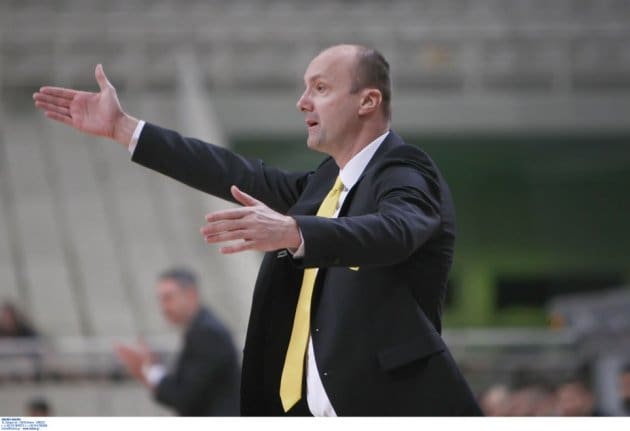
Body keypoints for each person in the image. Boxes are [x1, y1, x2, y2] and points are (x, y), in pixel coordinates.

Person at [33, 44, 482, 416]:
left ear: (367, 101)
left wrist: (296, 232)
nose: (302, 101)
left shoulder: (405, 169)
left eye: (320, 88)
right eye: (305, 88)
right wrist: (125, 129)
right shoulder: (326, 182)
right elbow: (237, 173)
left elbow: (396, 231)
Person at [114, 268, 240, 416]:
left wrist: (147, 370)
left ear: (191, 295)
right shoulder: (202, 328)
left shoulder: (207, 333)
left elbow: (184, 396)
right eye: (160, 300)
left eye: (168, 298)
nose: (163, 308)